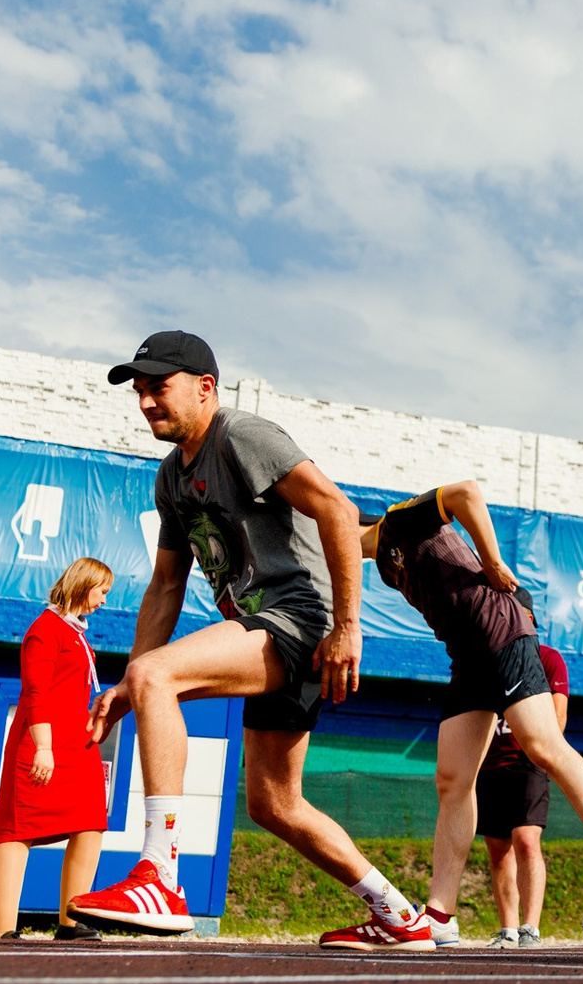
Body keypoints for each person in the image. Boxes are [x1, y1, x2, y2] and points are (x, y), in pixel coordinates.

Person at [78, 332, 428, 945]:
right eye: (138, 392)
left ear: (204, 387)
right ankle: (400, 915)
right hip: (268, 629)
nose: (145, 403)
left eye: (158, 387)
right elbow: (165, 587)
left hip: (300, 621)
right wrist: (130, 679)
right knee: (274, 805)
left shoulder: (241, 436)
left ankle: (160, 875)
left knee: (159, 674)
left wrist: (349, 625)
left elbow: (339, 511)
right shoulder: (171, 481)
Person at [363, 482, 583, 946]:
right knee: (452, 779)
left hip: (499, 630)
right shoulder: (381, 564)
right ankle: (439, 915)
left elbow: (466, 494)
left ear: (343, 520)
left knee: (541, 744)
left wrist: (494, 562)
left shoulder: (399, 519)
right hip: (466, 654)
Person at [0, 559, 115, 942]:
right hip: (42, 740)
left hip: (77, 743)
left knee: (91, 823)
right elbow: (35, 692)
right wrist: (44, 746)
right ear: (83, 584)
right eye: (102, 591)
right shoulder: (45, 630)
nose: (104, 601)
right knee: (16, 830)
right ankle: (4, 931)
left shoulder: (76, 632)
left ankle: (70, 922)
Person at [477, 594, 566, 948]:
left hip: (529, 763)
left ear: (527, 616)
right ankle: (508, 929)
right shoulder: (488, 662)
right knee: (498, 849)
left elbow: (557, 721)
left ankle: (531, 927)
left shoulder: (549, 660)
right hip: (491, 766)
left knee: (526, 841)